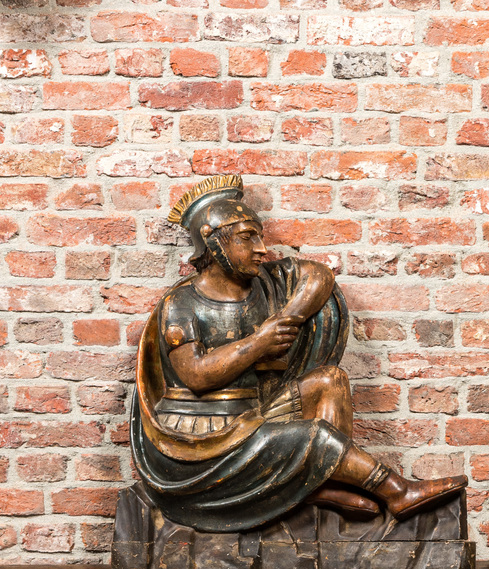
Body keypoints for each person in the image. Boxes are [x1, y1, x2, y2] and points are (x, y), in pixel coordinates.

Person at [132, 175, 467, 532]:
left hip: (249, 418)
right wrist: (259, 343)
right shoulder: (181, 302)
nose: (262, 249)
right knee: (313, 436)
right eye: (248, 238)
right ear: (213, 244)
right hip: (201, 438)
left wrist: (284, 321)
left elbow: (319, 276)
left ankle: (319, 486)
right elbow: (195, 376)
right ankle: (395, 490)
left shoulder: (264, 286)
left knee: (330, 381)